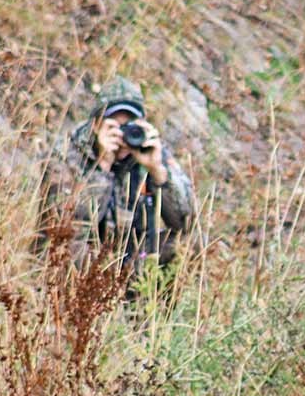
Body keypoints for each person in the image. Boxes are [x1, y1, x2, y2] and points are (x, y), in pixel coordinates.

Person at [39, 78, 197, 275]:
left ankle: (141, 292)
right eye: (116, 127)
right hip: (81, 261)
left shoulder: (149, 151)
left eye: (130, 126)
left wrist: (158, 172)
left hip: (128, 260)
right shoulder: (67, 153)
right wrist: (102, 166)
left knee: (189, 245)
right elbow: (66, 223)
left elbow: (187, 222)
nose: (123, 137)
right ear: (96, 125)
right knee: (68, 243)